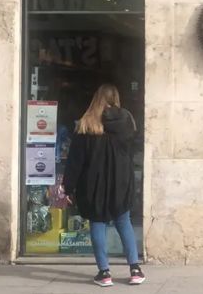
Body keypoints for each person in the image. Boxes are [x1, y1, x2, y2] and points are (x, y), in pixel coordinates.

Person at [63, 84, 145, 287]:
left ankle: (104, 272)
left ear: (96, 98)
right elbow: (134, 149)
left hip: (94, 183)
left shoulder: (86, 123)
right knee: (123, 221)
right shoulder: (127, 121)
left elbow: (75, 161)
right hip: (121, 180)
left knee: (97, 222)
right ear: (116, 98)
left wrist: (68, 186)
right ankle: (135, 269)